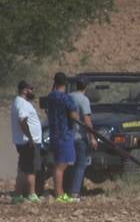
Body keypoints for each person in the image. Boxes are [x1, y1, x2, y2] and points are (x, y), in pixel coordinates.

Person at [45, 72, 78, 203]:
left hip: (54, 134)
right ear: (65, 83)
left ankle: (59, 192)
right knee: (61, 165)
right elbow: (74, 115)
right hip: (64, 135)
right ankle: (59, 193)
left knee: (59, 163)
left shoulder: (50, 97)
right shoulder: (66, 98)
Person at [10, 80, 41, 204]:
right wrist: (30, 138)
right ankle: (25, 194)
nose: (32, 91)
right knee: (27, 168)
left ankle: (24, 194)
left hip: (25, 142)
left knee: (26, 168)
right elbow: (22, 121)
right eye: (30, 89)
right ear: (24, 90)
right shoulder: (22, 103)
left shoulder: (20, 102)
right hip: (27, 142)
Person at [67, 78, 94, 199]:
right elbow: (87, 120)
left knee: (70, 165)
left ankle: (68, 189)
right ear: (86, 87)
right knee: (80, 165)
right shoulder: (84, 99)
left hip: (67, 136)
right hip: (79, 137)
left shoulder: (68, 97)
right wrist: (92, 138)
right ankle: (75, 192)